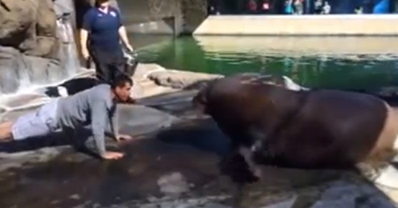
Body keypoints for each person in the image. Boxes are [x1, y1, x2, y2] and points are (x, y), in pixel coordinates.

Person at [0, 75, 134, 160]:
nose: (129, 93)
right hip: (52, 117)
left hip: (55, 107)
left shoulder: (106, 89)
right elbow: (97, 127)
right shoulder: (101, 99)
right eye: (127, 89)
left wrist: (116, 134)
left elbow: (113, 112)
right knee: (14, 133)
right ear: (117, 88)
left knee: (17, 125)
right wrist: (103, 153)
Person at [80, 0, 133, 84]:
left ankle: (119, 95)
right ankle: (106, 93)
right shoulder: (91, 14)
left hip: (115, 50)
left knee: (120, 75)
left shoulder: (114, 12)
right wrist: (84, 48)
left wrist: (127, 43)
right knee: (104, 76)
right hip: (100, 51)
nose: (104, 2)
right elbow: (84, 31)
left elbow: (120, 27)